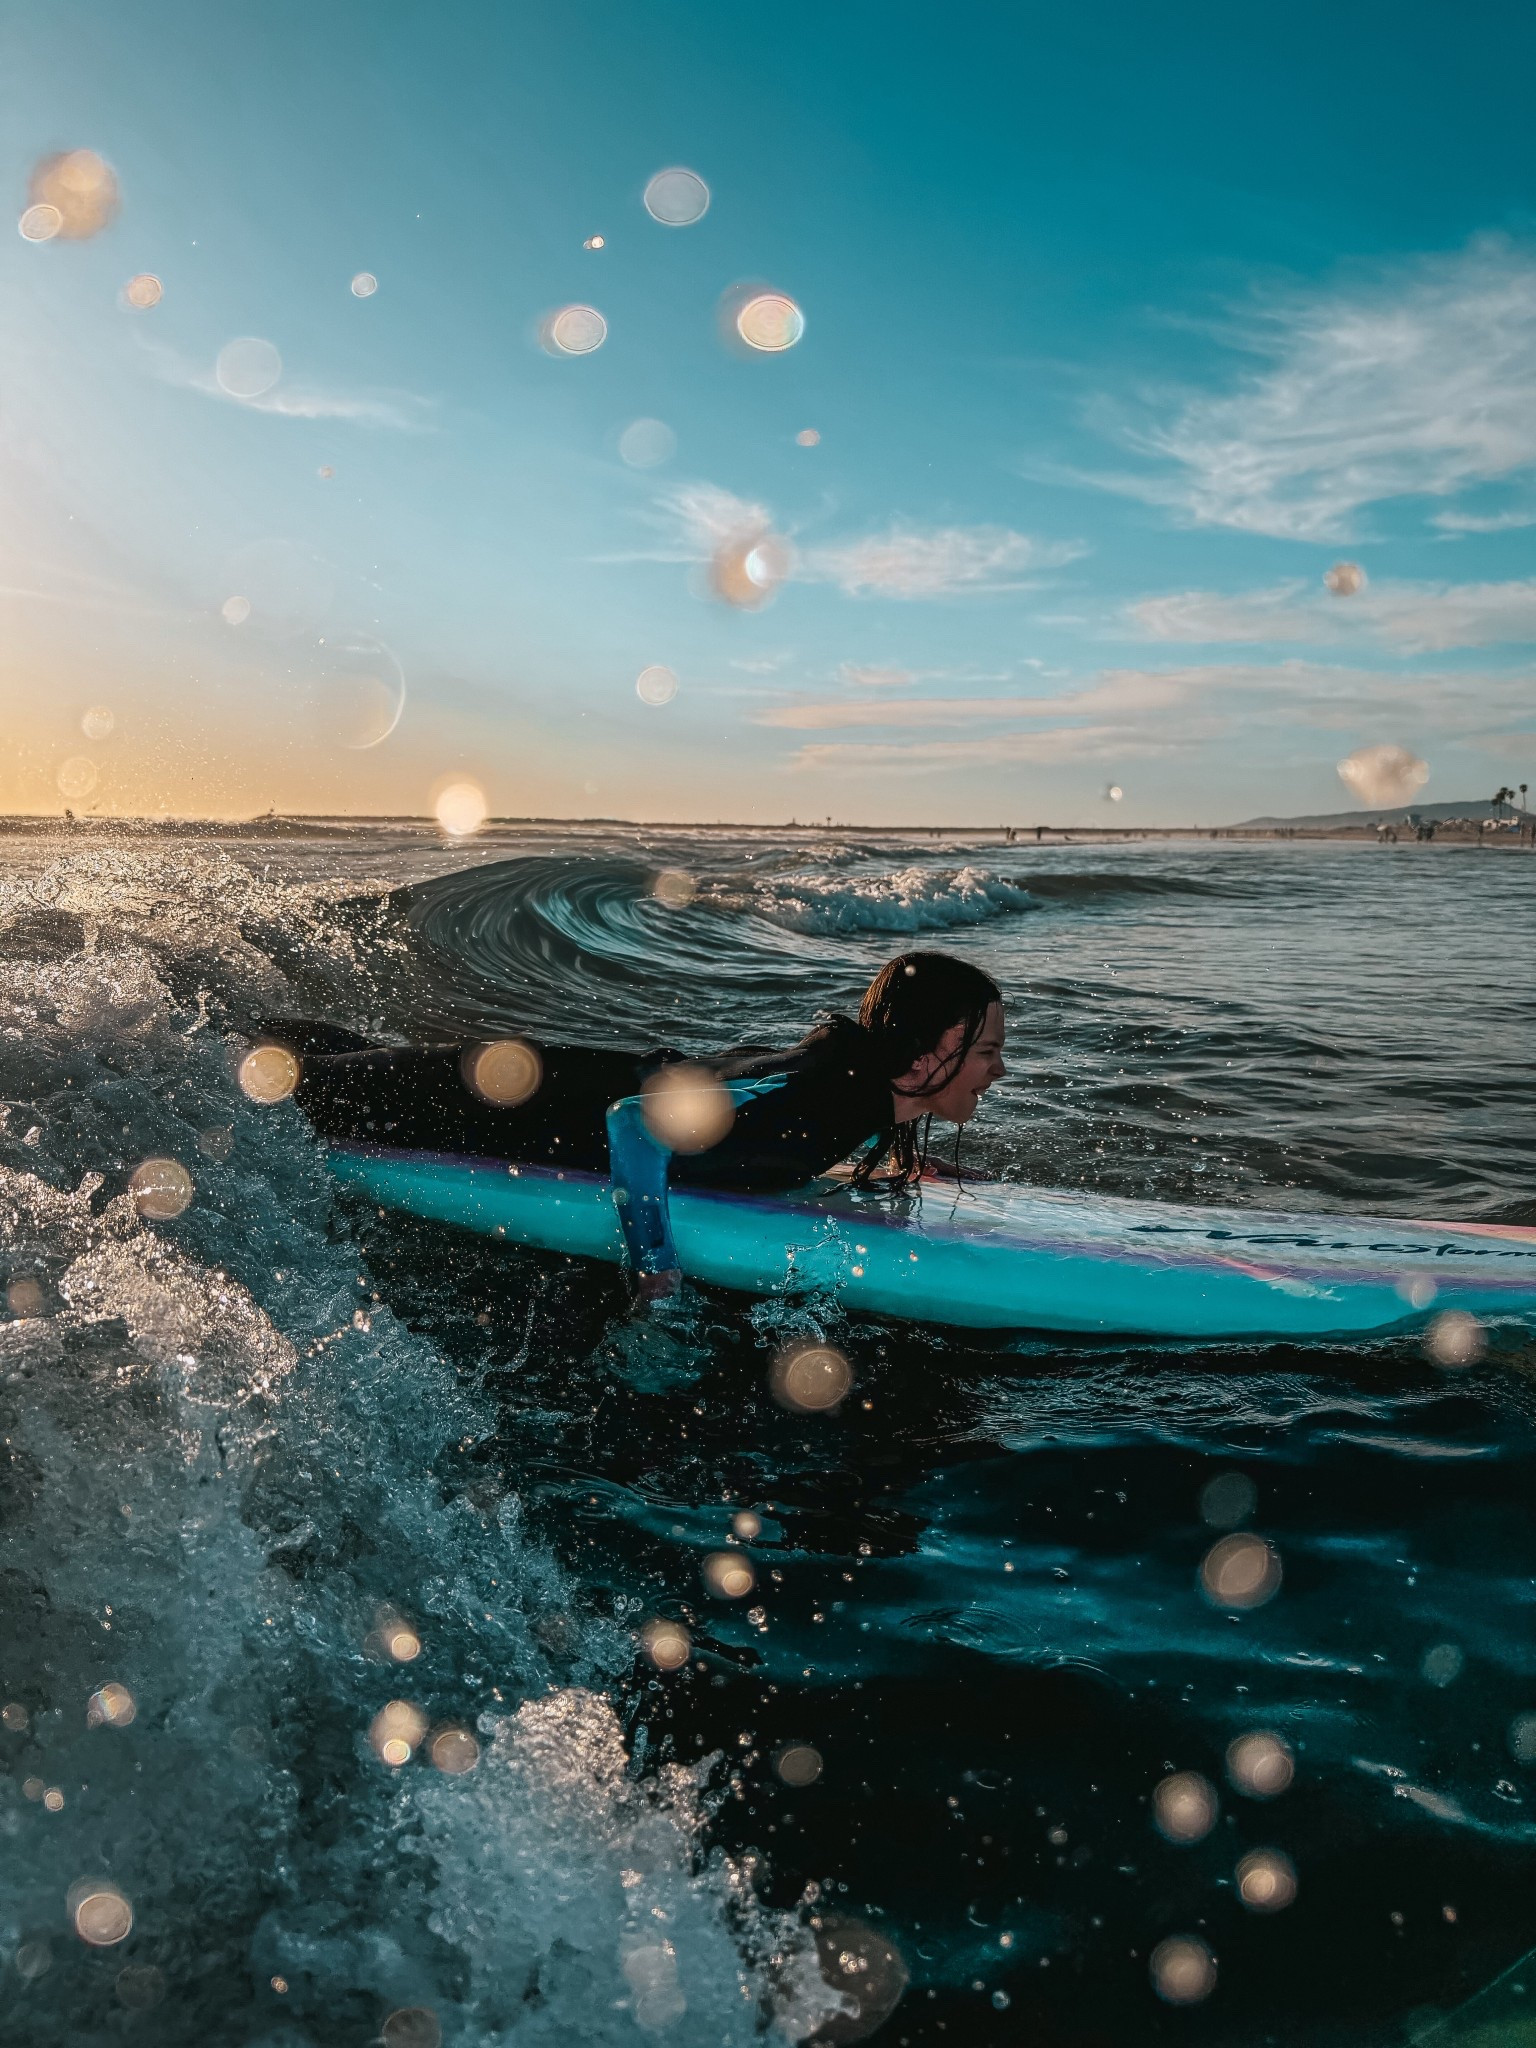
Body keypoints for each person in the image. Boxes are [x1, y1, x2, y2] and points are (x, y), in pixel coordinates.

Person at [283, 949, 1006, 1302]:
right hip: (478, 1103)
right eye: (986, 1051)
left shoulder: (848, 1095)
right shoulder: (819, 1101)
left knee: (320, 1059)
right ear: (924, 1057)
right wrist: (653, 1261)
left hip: (504, 1086)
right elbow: (632, 1122)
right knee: (285, 1086)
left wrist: (911, 1164)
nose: (999, 1071)